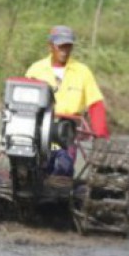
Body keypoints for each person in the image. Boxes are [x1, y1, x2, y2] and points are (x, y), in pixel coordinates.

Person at [25, 25, 109, 176]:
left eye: (68, 46)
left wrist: (101, 137)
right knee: (32, 166)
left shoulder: (82, 72)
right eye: (61, 46)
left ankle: (61, 191)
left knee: (64, 167)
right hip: (39, 127)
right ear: (50, 46)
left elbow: (95, 104)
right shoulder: (36, 70)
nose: (64, 50)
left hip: (67, 131)